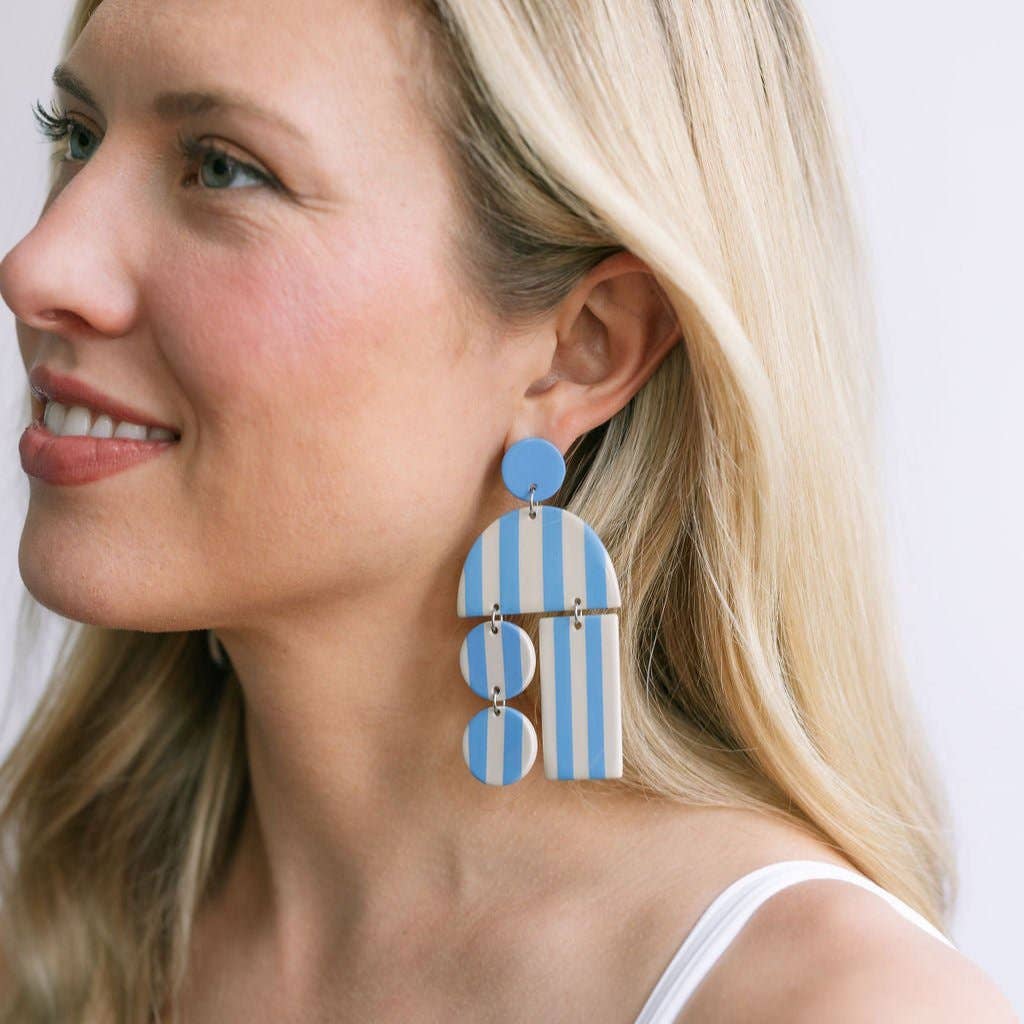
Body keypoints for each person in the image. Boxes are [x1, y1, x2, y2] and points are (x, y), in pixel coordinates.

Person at [0, 0, 1016, 1021]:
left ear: (583, 346)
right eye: (76, 136)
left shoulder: (837, 1003)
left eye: (224, 168)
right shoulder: (50, 931)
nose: (37, 265)